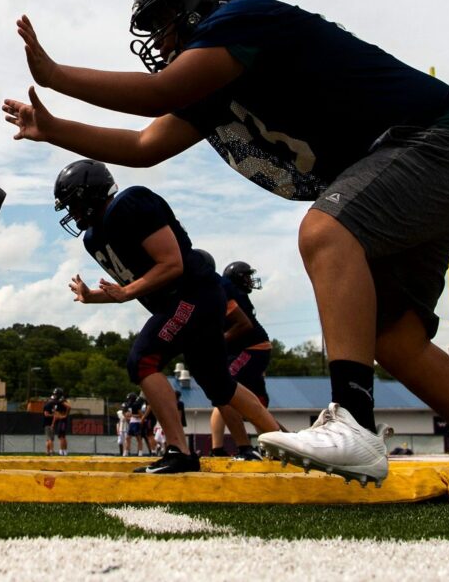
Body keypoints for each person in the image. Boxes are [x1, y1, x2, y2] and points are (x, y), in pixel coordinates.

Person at [3, 0, 449, 486]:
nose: (158, 36)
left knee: (326, 230)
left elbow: (158, 92)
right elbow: (146, 144)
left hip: (431, 143)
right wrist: (55, 130)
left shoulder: (248, 18)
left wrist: (54, 74)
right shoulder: (217, 79)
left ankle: (354, 423)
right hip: (424, 158)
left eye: (165, 17)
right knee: (393, 340)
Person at [54, 159, 280, 474]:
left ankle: (180, 451)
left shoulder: (130, 203)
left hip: (193, 294)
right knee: (219, 384)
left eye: (74, 203)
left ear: (90, 193)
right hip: (185, 300)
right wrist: (93, 297)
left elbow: (172, 265)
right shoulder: (95, 238)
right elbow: (136, 283)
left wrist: (128, 291)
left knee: (142, 359)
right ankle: (282, 443)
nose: (72, 212)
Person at [210, 258, 272, 460]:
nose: (249, 280)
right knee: (242, 397)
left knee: (224, 390)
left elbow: (243, 326)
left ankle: (221, 448)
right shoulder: (229, 291)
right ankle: (273, 446)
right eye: (245, 276)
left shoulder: (226, 292)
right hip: (250, 349)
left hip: (251, 348)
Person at [43, 387, 71, 455]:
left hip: (62, 419)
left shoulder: (61, 400)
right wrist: (53, 423)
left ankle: (62, 451)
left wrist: (65, 415)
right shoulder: (57, 402)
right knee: (61, 436)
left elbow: (69, 407)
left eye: (56, 394)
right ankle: (64, 451)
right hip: (60, 419)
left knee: (61, 436)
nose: (55, 395)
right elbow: (56, 413)